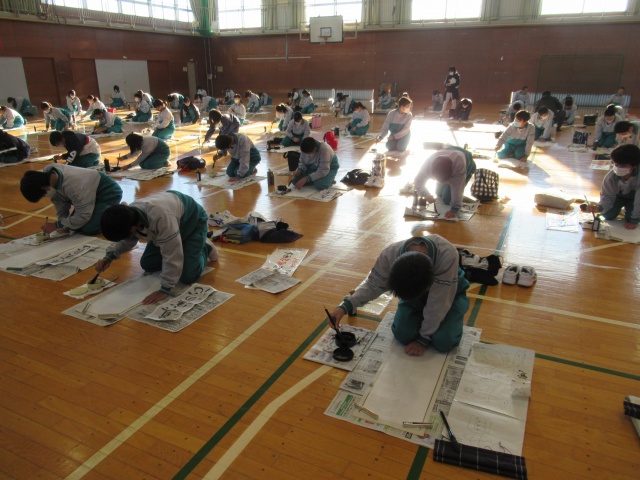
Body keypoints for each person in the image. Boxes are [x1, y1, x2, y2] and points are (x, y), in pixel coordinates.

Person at [331, 235, 470, 355]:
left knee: (444, 341)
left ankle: (446, 318)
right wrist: (345, 306)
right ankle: (419, 313)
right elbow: (374, 285)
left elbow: (438, 303)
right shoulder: (389, 254)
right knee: (403, 334)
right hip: (416, 292)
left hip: (449, 294)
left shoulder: (447, 255)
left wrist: (423, 339)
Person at [95, 191, 218, 305]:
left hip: (192, 220)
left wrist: (165, 289)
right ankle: (184, 243)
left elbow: (172, 254)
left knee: (188, 276)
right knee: (148, 264)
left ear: (133, 228)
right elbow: (127, 241)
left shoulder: (160, 218)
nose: (129, 236)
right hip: (169, 226)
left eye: (128, 234)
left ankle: (205, 247)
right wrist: (110, 256)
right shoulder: (128, 217)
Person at [19, 164, 122, 235]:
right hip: (88, 195)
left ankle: (119, 211)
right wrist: (62, 225)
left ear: (45, 188)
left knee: (89, 229)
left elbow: (83, 215)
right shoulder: (48, 176)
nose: (45, 196)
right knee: (76, 227)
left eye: (42, 195)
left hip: (107, 193)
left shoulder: (73, 186)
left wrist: (56, 225)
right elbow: (60, 205)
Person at [586, 144, 640, 230]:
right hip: (618, 196)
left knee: (632, 218)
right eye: (616, 164)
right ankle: (623, 207)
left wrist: (634, 219)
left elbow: (638, 199)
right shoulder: (610, 178)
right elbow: (607, 196)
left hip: (635, 198)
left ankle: (629, 210)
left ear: (634, 165)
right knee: (607, 215)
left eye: (624, 165)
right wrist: (599, 207)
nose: (619, 168)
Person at [414, 147, 477, 219]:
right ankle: (445, 187)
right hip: (448, 151)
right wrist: (425, 194)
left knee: (447, 199)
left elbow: (458, 187)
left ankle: (472, 169)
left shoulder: (459, 165)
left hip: (466, 159)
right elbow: (418, 181)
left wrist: (455, 209)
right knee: (438, 194)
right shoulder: (428, 165)